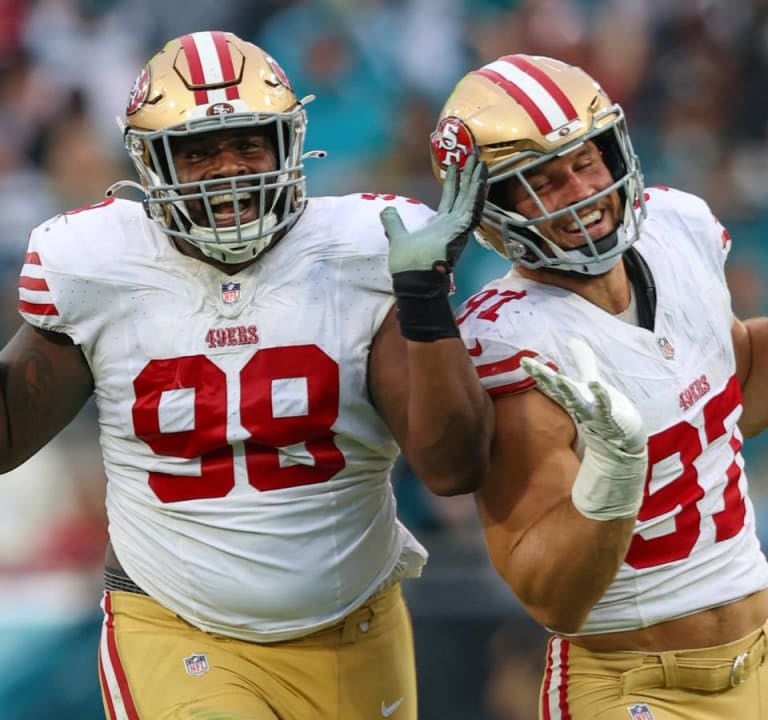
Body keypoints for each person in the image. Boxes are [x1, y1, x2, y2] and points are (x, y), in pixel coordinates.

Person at [7, 31, 493, 720]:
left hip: (354, 625)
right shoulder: (98, 263)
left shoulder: (361, 251)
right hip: (178, 624)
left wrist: (424, 305)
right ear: (152, 162)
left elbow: (452, 468)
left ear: (288, 143)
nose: (228, 168)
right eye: (197, 151)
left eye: (247, 143)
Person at [430, 53, 768, 719]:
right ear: (488, 208)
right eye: (541, 183)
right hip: (636, 683)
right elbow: (552, 596)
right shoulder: (509, 336)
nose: (579, 191)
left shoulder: (677, 227)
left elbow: (733, 395)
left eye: (585, 161)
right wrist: (615, 471)